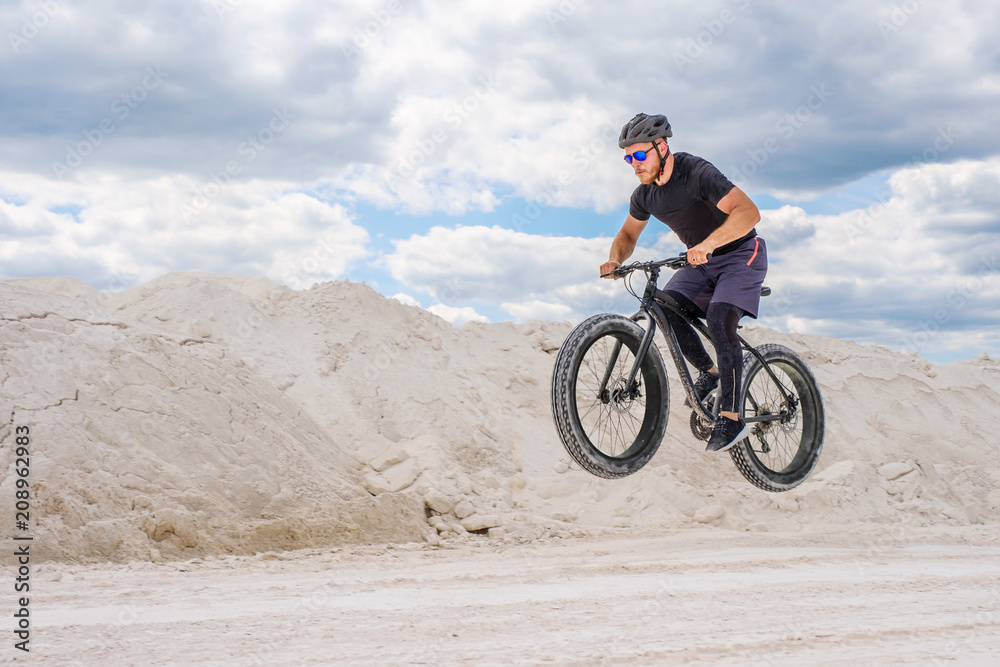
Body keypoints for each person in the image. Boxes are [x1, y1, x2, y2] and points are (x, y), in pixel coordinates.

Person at [600, 113, 766, 453]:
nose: (634, 164)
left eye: (640, 155)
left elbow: (748, 213)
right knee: (662, 306)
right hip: (700, 261)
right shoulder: (645, 195)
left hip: (741, 253)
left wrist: (708, 244)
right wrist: (616, 259)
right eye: (628, 158)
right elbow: (628, 233)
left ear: (662, 147)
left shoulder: (696, 173)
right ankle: (713, 370)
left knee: (720, 319)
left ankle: (732, 419)